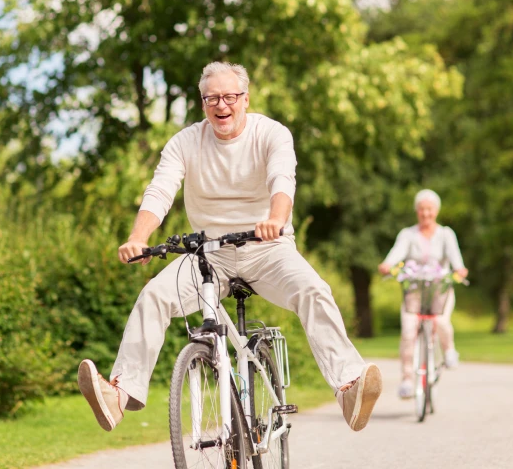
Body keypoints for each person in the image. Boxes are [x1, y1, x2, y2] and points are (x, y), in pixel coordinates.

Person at [77, 62, 382, 433]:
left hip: (268, 248)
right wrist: (138, 238)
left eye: (229, 97)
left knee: (314, 290)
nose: (221, 105)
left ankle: (349, 387)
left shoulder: (271, 133)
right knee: (153, 295)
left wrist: (275, 218)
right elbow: (160, 191)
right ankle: (119, 395)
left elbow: (282, 179)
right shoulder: (185, 142)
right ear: (203, 103)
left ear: (245, 99)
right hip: (208, 255)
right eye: (212, 99)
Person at [377, 189, 468, 399]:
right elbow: (396, 253)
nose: (425, 214)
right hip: (415, 291)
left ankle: (449, 351)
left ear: (436, 211)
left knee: (441, 321)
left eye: (429, 209)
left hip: (440, 290)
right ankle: (407, 380)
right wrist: (387, 265)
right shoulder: (408, 234)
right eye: (421, 210)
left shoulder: (446, 234)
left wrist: (459, 270)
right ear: (417, 211)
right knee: (408, 331)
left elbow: (456, 260)